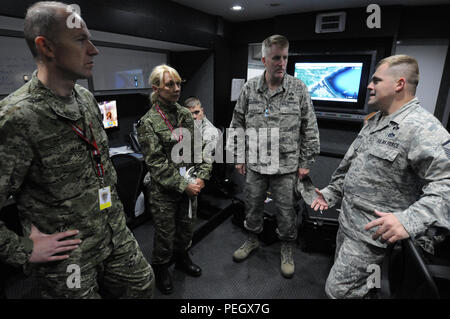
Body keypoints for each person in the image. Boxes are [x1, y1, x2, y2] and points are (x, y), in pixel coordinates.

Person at [0, 1, 154, 298]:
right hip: (70, 257)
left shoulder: (84, 98)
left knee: (141, 284)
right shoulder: (16, 117)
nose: (94, 50)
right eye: (81, 40)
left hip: (113, 233)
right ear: (46, 47)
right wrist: (23, 249)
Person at [311, 54, 450, 298]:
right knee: (362, 291)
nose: (369, 85)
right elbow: (352, 167)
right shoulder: (375, 121)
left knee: (337, 292)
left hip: (373, 240)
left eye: (376, 80)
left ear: (399, 84)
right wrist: (331, 193)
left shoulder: (422, 128)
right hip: (348, 226)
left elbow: (446, 185)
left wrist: (409, 220)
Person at [226, 34, 320, 278]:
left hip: (287, 166)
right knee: (253, 205)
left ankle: (287, 247)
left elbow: (309, 126)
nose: (282, 62)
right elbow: (237, 121)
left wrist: (306, 162)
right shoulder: (250, 88)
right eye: (276, 58)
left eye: (285, 57)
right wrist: (238, 155)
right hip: (256, 164)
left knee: (286, 210)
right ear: (265, 59)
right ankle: (252, 239)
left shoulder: (298, 88)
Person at [137, 65, 212, 294]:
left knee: (186, 228)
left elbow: (199, 148)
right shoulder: (148, 122)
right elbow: (156, 164)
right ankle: (160, 268)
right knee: (165, 234)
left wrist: (202, 177)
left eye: (179, 83)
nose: (176, 88)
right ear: (156, 88)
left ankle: (182, 259)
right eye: (170, 84)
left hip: (190, 184)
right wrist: (184, 186)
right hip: (165, 192)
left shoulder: (184, 115)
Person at [184, 96, 221, 161]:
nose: (194, 117)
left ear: (202, 111)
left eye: (196, 112)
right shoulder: (188, 125)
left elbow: (202, 156)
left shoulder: (210, 131)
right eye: (190, 114)